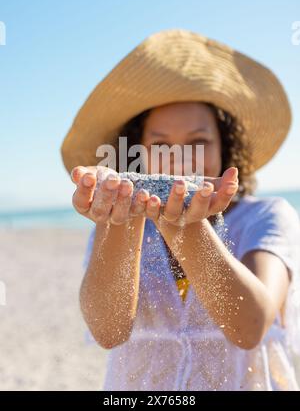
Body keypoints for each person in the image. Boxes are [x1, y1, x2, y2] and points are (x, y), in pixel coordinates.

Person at [61, 29, 300, 390]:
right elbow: (108, 331)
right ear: (137, 153)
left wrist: (184, 223)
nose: (179, 159)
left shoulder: (267, 217)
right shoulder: (118, 221)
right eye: (160, 144)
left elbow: (250, 326)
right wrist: (121, 219)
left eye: (198, 142)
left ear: (225, 148)